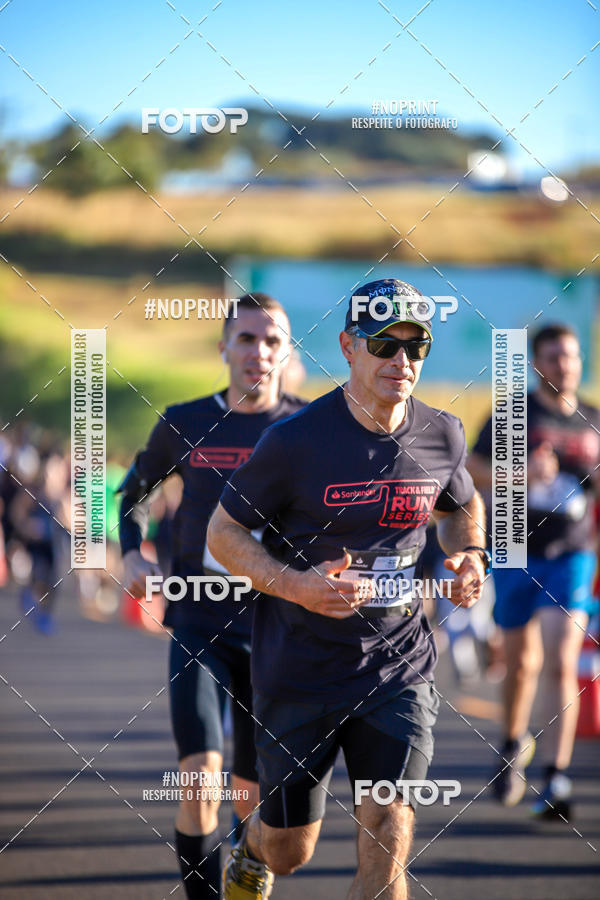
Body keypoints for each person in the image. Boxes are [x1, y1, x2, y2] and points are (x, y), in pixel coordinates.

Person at [207, 278, 488, 900]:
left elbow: (460, 508)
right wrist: (299, 586)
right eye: (385, 344)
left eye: (418, 347)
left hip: (398, 668)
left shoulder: (441, 433)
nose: (402, 361)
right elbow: (224, 533)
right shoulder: (294, 441)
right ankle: (250, 848)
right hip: (301, 670)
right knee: (290, 850)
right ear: (348, 347)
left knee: (389, 829)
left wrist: (468, 555)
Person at [118, 293, 305, 899]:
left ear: (286, 351)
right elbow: (130, 494)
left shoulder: (311, 427)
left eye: (272, 340)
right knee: (200, 778)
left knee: (251, 803)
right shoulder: (185, 422)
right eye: (246, 339)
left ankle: (246, 871)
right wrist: (129, 551)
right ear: (223, 346)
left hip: (277, 631)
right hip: (198, 623)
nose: (259, 352)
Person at [467, 324, 600, 820]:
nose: (564, 364)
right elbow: (473, 470)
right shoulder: (512, 413)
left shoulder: (592, 420)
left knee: (562, 661)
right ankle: (510, 744)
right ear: (537, 363)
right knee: (521, 665)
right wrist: (522, 473)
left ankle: (556, 776)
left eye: (571, 355)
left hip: (572, 552)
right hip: (516, 548)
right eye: (553, 356)